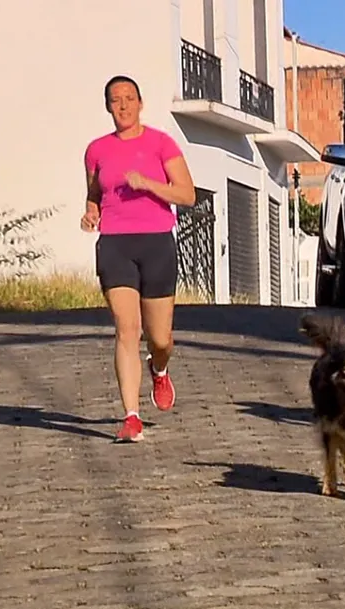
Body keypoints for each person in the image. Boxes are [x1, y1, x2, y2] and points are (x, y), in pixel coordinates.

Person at [81, 75, 196, 442]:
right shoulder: (96, 150)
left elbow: (188, 195)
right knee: (127, 328)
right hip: (115, 244)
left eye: (129, 98)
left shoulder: (161, 143)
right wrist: (90, 213)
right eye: (116, 100)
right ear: (107, 107)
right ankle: (131, 417)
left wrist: (148, 185)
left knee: (159, 338)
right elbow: (94, 193)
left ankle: (159, 369)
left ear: (141, 103)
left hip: (156, 242)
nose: (123, 106)